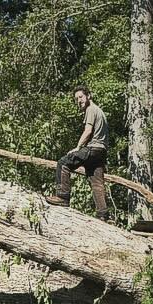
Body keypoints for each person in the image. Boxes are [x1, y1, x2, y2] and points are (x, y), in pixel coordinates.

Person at [48, 86, 109, 222]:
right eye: (76, 99)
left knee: (63, 163)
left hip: (93, 148)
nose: (79, 101)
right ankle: (102, 214)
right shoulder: (100, 111)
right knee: (97, 182)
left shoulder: (91, 109)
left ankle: (62, 197)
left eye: (81, 97)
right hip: (101, 151)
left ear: (88, 95)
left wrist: (78, 147)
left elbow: (88, 131)